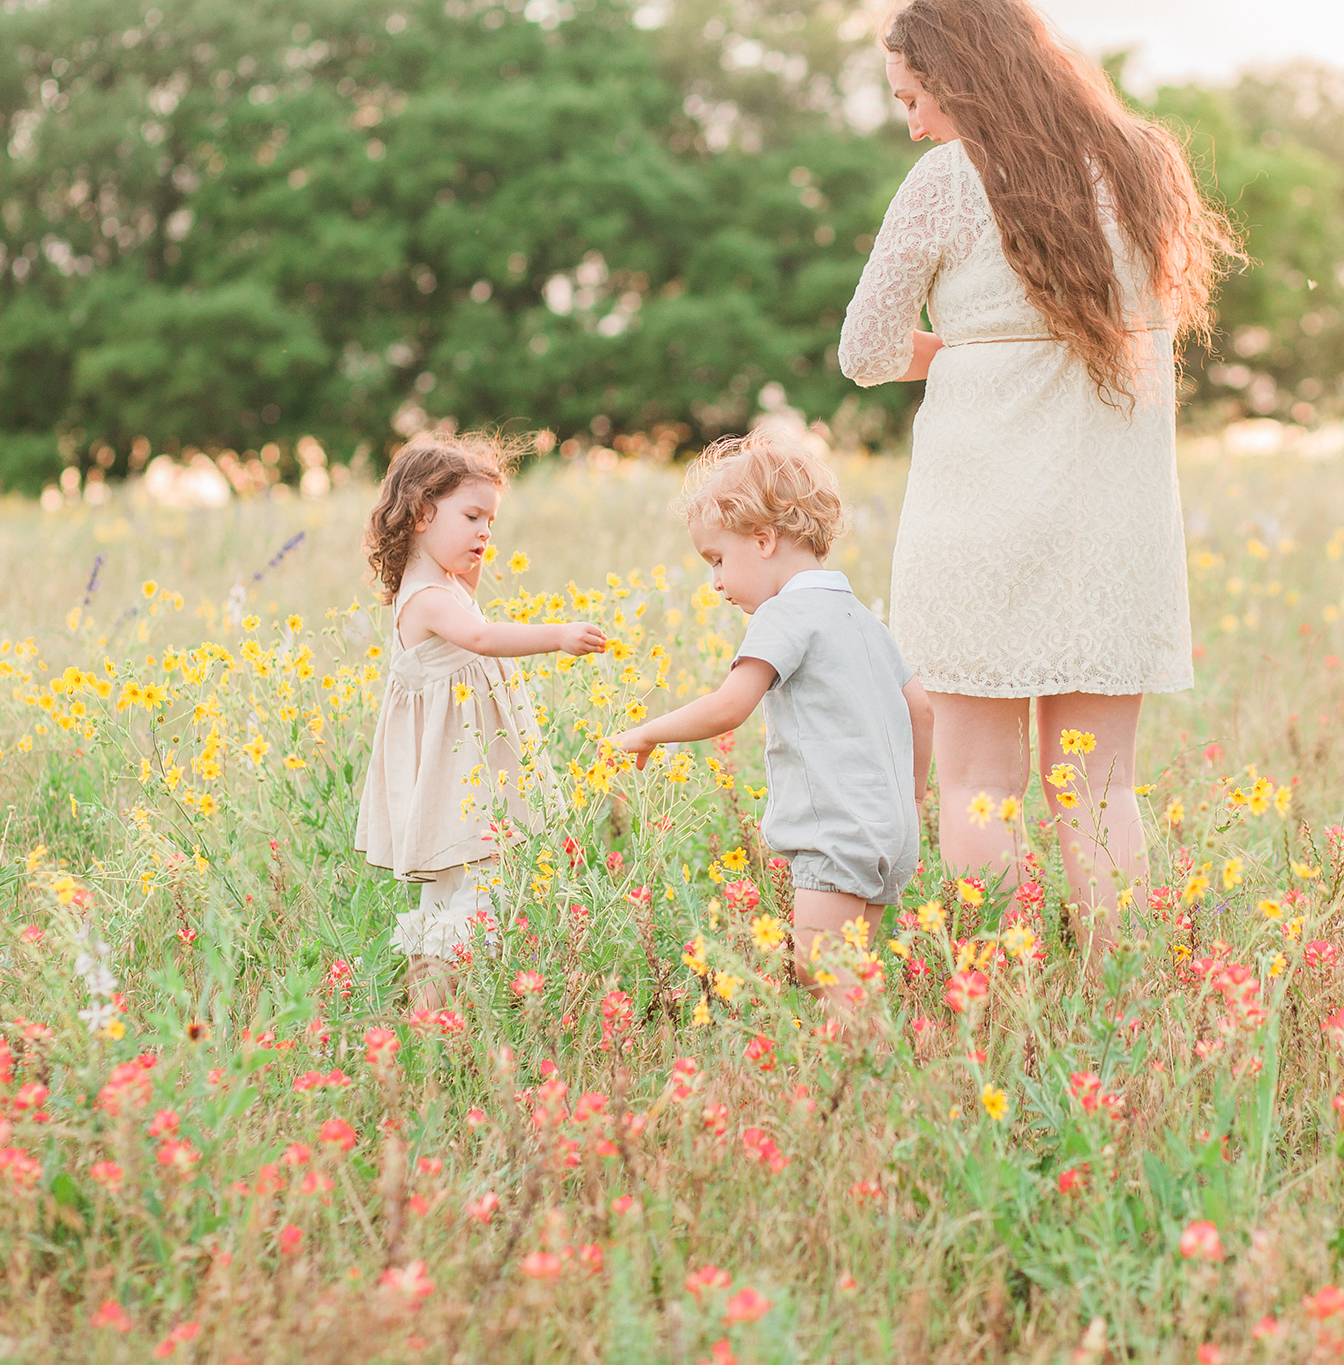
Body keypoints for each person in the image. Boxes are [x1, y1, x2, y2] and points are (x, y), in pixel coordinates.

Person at [838, 0, 1237, 952]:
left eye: (916, 98)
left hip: (979, 512)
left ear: (963, 74)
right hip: (1115, 517)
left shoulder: (946, 180)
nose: (916, 123)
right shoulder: (1145, 161)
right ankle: (1119, 998)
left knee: (979, 779)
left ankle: (993, 992)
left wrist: (970, 351)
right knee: (1098, 785)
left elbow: (864, 350)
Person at [606, 429, 933, 1002]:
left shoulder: (785, 614)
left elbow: (730, 706)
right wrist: (913, 798)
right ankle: (858, 1066)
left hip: (837, 830)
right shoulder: (861, 616)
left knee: (822, 970)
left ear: (762, 539)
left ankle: (874, 1064)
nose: (715, 583)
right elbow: (921, 710)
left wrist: (646, 732)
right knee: (844, 967)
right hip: (892, 827)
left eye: (716, 560)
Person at [355, 433, 606, 1006]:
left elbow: (473, 610)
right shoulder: (425, 598)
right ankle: (433, 1017)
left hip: (469, 777)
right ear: (420, 513)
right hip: (454, 781)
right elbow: (483, 637)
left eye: (490, 521)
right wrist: (557, 636)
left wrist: (468, 558)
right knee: (464, 898)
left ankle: (442, 1015)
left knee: (457, 897)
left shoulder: (446, 584)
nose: (484, 533)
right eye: (471, 516)